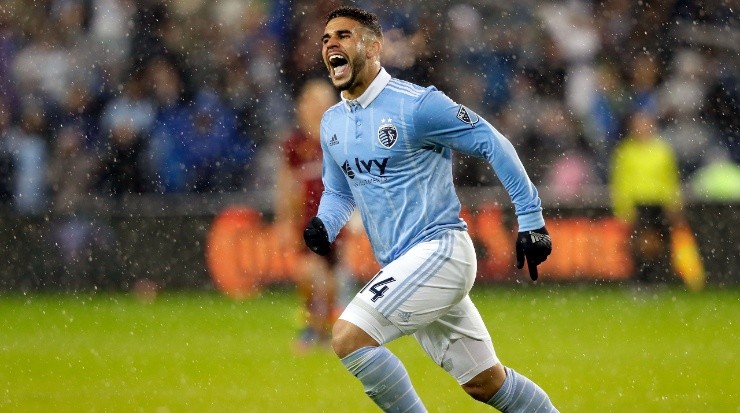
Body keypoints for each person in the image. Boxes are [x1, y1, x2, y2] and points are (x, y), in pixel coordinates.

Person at [302, 6, 557, 412]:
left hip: (441, 250)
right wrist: (324, 224)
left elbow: (492, 141)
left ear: (374, 47)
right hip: (404, 266)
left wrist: (531, 220)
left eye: (343, 36)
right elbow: (339, 192)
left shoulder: (416, 106)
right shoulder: (333, 122)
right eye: (325, 39)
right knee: (486, 383)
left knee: (348, 337)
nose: (330, 43)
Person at [276, 78, 342, 351]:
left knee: (329, 279)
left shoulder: (339, 138)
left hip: (336, 219)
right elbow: (286, 184)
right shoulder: (295, 144)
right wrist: (284, 220)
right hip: (307, 221)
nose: (317, 108)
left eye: (323, 102)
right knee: (308, 273)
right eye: (312, 102)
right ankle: (314, 326)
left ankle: (322, 328)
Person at [610, 110, 683, 283]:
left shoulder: (662, 150)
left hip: (659, 201)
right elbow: (620, 181)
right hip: (638, 202)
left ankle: (658, 279)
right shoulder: (626, 151)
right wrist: (623, 206)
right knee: (640, 244)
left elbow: (671, 179)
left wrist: (674, 203)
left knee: (658, 244)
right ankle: (641, 279)